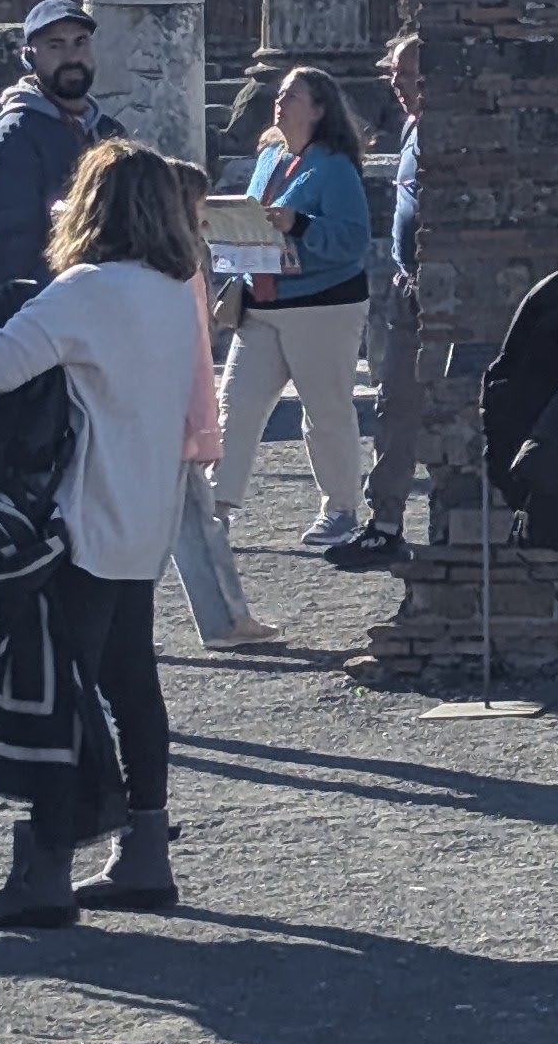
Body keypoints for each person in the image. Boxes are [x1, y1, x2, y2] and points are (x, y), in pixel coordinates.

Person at [0, 138, 215, 923]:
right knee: (133, 687)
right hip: (144, 517)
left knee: (57, 699)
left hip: (75, 521)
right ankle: (144, 853)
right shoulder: (176, 290)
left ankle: (46, 871)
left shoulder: (86, 292)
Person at [214, 69, 375, 557]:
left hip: (323, 306)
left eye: (292, 96)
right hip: (261, 303)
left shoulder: (336, 168)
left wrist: (299, 223)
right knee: (234, 407)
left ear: (319, 109)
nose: (279, 102)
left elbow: (352, 241)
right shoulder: (269, 158)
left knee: (324, 412)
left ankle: (341, 509)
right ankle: (215, 510)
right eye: (279, 94)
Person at [160, 159, 282, 650]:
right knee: (181, 525)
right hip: (172, 416)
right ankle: (223, 620)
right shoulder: (176, 266)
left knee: (187, 523)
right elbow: (191, 355)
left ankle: (223, 620)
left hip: (159, 414)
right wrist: (204, 428)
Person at [0, 0, 119, 291]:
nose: (72, 56)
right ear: (29, 57)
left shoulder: (109, 133)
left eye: (80, 42)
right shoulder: (10, 142)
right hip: (46, 314)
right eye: (55, 46)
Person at [341, 33, 421, 565]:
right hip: (405, 284)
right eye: (393, 73)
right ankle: (385, 521)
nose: (395, 83)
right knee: (393, 402)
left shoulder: (449, 127)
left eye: (406, 74)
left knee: (411, 403)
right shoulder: (413, 126)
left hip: (438, 288)